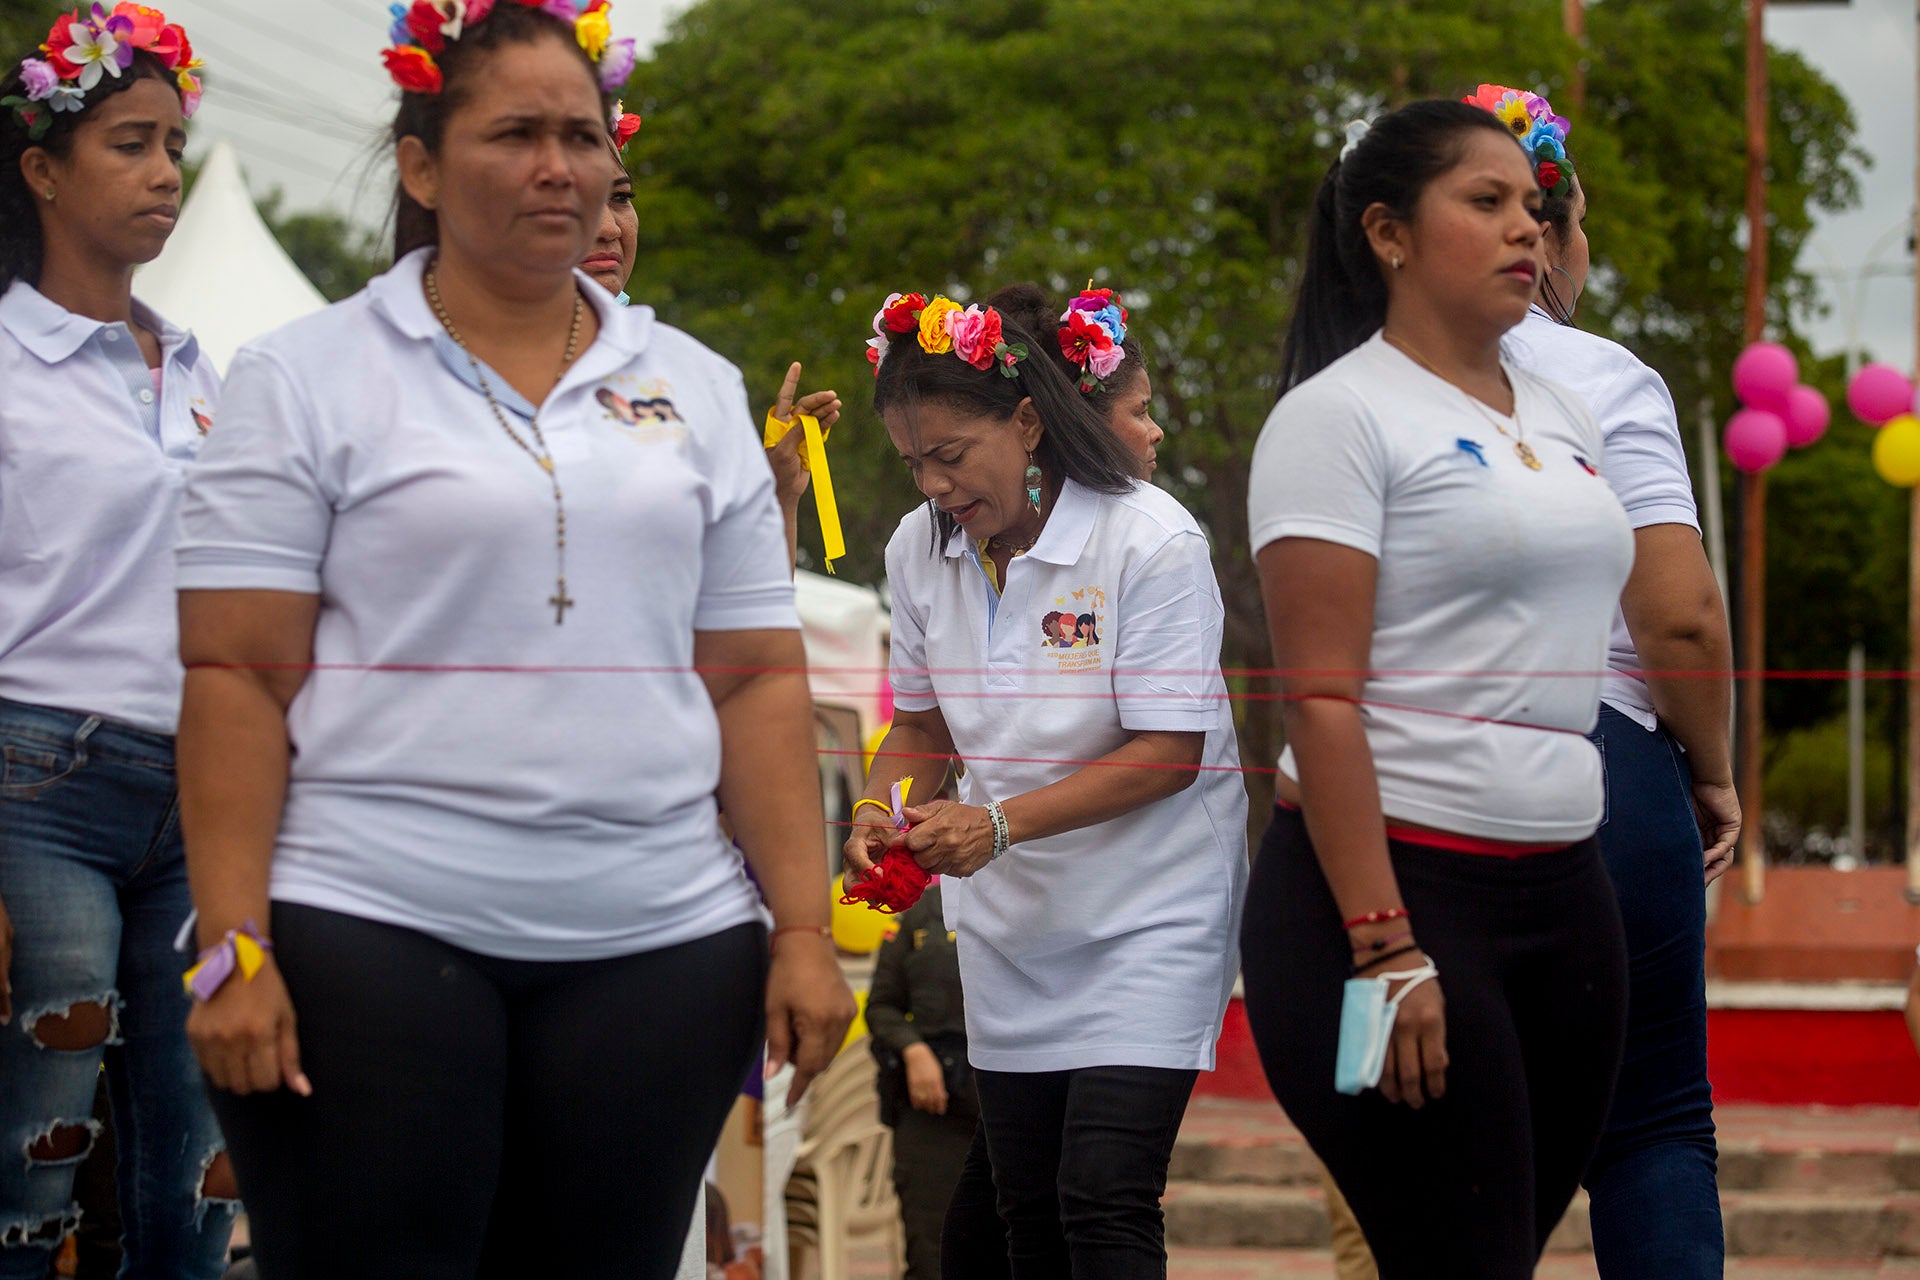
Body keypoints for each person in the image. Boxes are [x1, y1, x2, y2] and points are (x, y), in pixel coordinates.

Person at [171, 6, 854, 1276]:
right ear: (423, 166)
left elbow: (756, 678)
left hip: (659, 946)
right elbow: (236, 680)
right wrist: (233, 945)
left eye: (583, 136)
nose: (562, 167)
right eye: (517, 133)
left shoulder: (695, 383)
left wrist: (803, 931)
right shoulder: (306, 375)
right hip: (364, 930)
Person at [1240, 100, 1634, 1279]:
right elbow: (1318, 698)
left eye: (1534, 203)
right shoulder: (1334, 417)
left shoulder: (1563, 411)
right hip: (1389, 900)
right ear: (1389, 233)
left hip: (1569, 890)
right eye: (1487, 200)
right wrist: (1386, 945)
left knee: (1495, 1252)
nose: (1529, 224)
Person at [847, 289, 1248, 1278]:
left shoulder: (1147, 538)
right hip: (1014, 928)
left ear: (1026, 420)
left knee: (1103, 1191)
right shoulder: (917, 548)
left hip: (1151, 915)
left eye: (952, 454)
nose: (935, 484)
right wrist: (874, 809)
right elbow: (924, 721)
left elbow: (1170, 750)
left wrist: (996, 822)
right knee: (1026, 1205)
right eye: (914, 462)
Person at [1469, 81, 1740, 1280]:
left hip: (1428, 779)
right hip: (1605, 764)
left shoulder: (1345, 385)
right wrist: (1715, 771)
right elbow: (1678, 614)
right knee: (1652, 1122)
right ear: (1557, 231)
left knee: (1472, 1133)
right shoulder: (1602, 375)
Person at [0, 9, 236, 1277]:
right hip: (34, 782)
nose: (165, 174)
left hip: (202, 787)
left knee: (199, 1178)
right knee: (31, 1164)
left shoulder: (207, 373)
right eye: (132, 144)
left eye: (176, 146)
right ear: (42, 167)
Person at [867, 884, 975, 1280]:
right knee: (934, 1252)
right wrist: (913, 1050)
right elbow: (881, 1006)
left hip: (1014, 1100)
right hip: (935, 1106)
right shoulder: (916, 913)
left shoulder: (1030, 895)